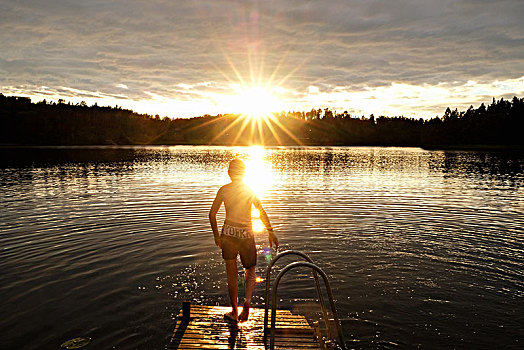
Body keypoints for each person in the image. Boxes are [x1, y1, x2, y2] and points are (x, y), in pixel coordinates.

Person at [209, 158, 279, 322]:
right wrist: (270, 232)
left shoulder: (224, 190)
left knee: (231, 275)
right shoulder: (250, 190)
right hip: (247, 234)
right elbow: (261, 211)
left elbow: (212, 214)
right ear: (245, 173)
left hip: (229, 234)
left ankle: (234, 311)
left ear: (229, 173)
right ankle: (247, 302)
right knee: (251, 270)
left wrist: (216, 235)